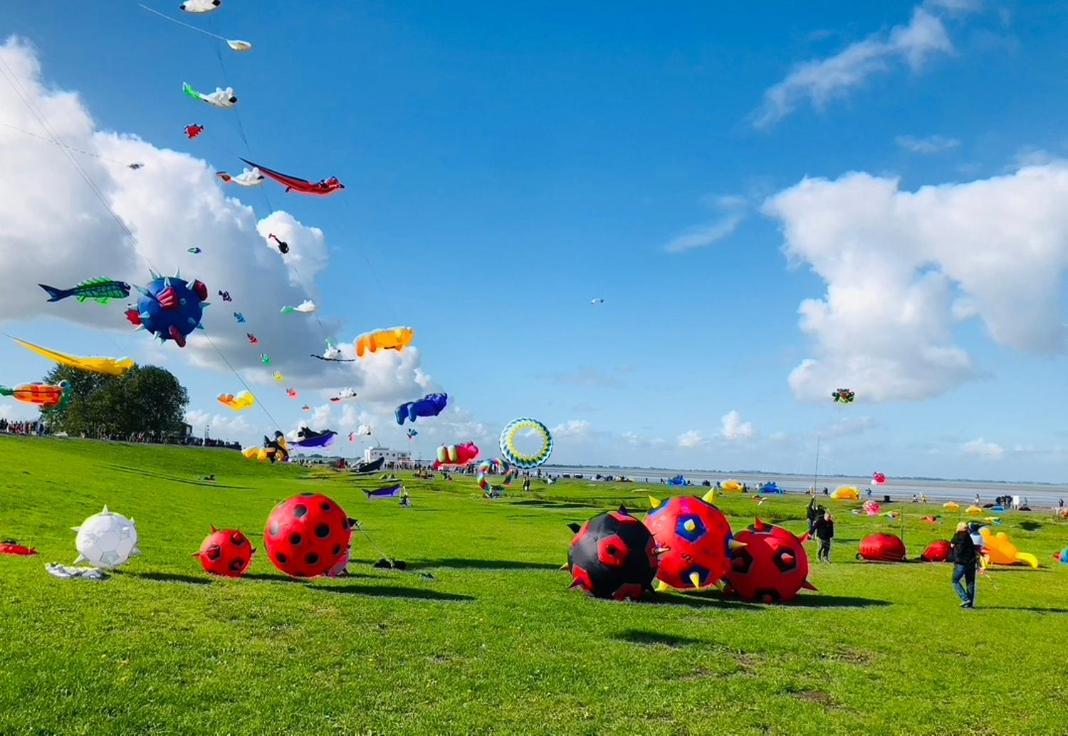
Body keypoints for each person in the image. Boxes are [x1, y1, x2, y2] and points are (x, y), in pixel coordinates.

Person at [950, 522, 978, 608]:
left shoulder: (957, 535)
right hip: (971, 562)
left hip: (961, 562)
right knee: (970, 582)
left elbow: (951, 545)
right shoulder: (969, 537)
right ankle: (969, 603)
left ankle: (965, 599)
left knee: (955, 581)